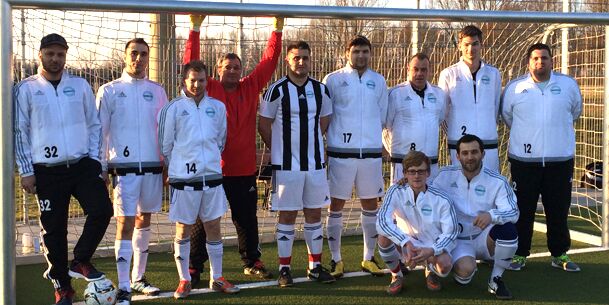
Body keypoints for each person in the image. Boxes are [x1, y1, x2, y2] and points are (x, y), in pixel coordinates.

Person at [183, 14, 284, 283]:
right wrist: (195, 28)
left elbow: (268, 62)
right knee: (202, 221)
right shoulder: (209, 88)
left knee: (246, 219)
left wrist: (277, 30)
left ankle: (252, 261)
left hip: (244, 170)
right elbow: (190, 65)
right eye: (227, 66)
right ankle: (195, 268)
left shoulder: (250, 87)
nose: (232, 70)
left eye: (237, 67)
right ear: (217, 70)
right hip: (212, 169)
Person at [14, 33, 113, 305]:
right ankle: (63, 287)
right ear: (40, 55)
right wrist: (26, 170)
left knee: (103, 209)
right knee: (54, 231)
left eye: (60, 54)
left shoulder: (80, 85)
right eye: (50, 54)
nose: (55, 59)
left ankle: (80, 259)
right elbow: (19, 131)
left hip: (82, 165)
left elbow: (94, 125)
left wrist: (97, 162)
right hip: (46, 170)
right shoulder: (26, 88)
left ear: (65, 56)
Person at [158, 60, 240, 299]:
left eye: (201, 80)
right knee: (183, 228)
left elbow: (221, 140)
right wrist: (181, 166)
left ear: (207, 80)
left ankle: (217, 277)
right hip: (184, 179)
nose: (197, 84)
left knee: (213, 226)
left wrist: (209, 162)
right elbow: (166, 145)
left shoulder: (217, 106)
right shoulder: (172, 108)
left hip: (212, 176)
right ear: (184, 80)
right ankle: (184, 279)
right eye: (192, 80)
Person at [258, 41, 335, 287]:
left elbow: (325, 119)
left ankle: (315, 266)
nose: (301, 62)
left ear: (310, 60)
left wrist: (312, 142)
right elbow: (263, 124)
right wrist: (279, 148)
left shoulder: (321, 90)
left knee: (314, 213)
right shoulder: (276, 90)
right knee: (288, 215)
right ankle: (284, 269)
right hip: (287, 166)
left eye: (305, 57)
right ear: (288, 61)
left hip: (314, 165)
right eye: (296, 58)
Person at [97, 38, 168, 304]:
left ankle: (139, 278)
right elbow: (100, 133)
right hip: (123, 171)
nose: (138, 59)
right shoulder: (109, 90)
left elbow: (164, 132)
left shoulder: (158, 91)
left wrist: (166, 163)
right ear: (125, 57)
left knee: (144, 220)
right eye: (134, 54)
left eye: (143, 54)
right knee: (124, 224)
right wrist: (101, 168)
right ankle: (124, 285)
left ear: (148, 58)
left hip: (152, 168)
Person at [501, 43, 582, 272]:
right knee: (522, 210)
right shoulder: (515, 88)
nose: (540, 62)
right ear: (528, 62)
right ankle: (519, 254)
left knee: (557, 210)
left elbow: (575, 111)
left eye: (544, 58)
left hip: (560, 162)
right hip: (524, 162)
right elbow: (508, 117)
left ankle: (559, 254)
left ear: (551, 61)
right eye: (535, 58)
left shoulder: (567, 85)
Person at [322, 35, 388, 278]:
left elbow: (382, 115)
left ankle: (368, 258)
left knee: (370, 205)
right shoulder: (333, 79)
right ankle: (336, 259)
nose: (361, 56)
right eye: (356, 51)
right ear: (347, 52)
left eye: (365, 52)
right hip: (341, 153)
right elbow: (325, 115)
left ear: (371, 53)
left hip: (370, 154)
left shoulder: (379, 81)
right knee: (336, 205)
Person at [432, 134, 519, 299]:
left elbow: (513, 211)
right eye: (465, 153)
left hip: (484, 238)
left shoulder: (497, 181)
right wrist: (404, 186)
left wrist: (491, 215)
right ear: (457, 156)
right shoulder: (445, 176)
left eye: (474, 152)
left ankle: (495, 279)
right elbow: (425, 193)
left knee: (508, 229)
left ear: (483, 154)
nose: (470, 157)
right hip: (456, 240)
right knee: (465, 274)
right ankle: (455, 265)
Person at [376, 151, 457, 295]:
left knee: (444, 266)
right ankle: (396, 275)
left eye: (421, 171)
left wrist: (432, 250)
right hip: (407, 243)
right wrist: (405, 242)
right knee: (383, 237)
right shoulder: (395, 191)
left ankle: (430, 270)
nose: (416, 175)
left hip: (431, 245)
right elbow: (382, 221)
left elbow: (451, 232)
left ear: (428, 173)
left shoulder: (442, 198)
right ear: (405, 173)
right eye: (412, 171)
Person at [438, 25, 502, 172]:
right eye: (466, 44)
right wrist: (456, 132)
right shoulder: (448, 74)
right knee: (460, 187)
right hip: (459, 144)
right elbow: (442, 113)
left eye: (475, 44)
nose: (470, 49)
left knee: (488, 187)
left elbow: (496, 108)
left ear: (481, 45)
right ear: (460, 46)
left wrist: (486, 128)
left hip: (488, 143)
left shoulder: (494, 74)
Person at [383, 53, 446, 184]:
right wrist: (396, 153)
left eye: (424, 70)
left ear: (430, 71)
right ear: (408, 69)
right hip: (403, 163)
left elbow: (439, 120)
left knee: (428, 202)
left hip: (430, 164)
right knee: (402, 202)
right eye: (415, 69)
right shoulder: (395, 93)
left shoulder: (439, 94)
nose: (419, 73)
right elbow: (385, 127)